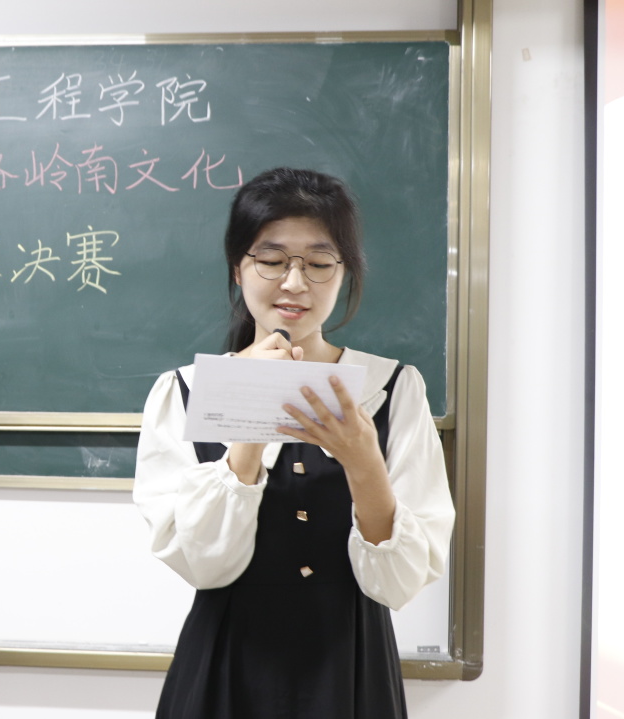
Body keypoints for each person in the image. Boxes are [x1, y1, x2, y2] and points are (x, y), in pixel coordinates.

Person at [133, 167, 455, 718]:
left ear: (344, 272)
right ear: (238, 268)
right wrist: (249, 420)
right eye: (272, 259)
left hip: (350, 667)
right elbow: (202, 565)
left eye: (319, 263)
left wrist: (363, 461)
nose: (294, 283)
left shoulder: (391, 389)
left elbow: (399, 582)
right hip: (225, 667)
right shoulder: (184, 392)